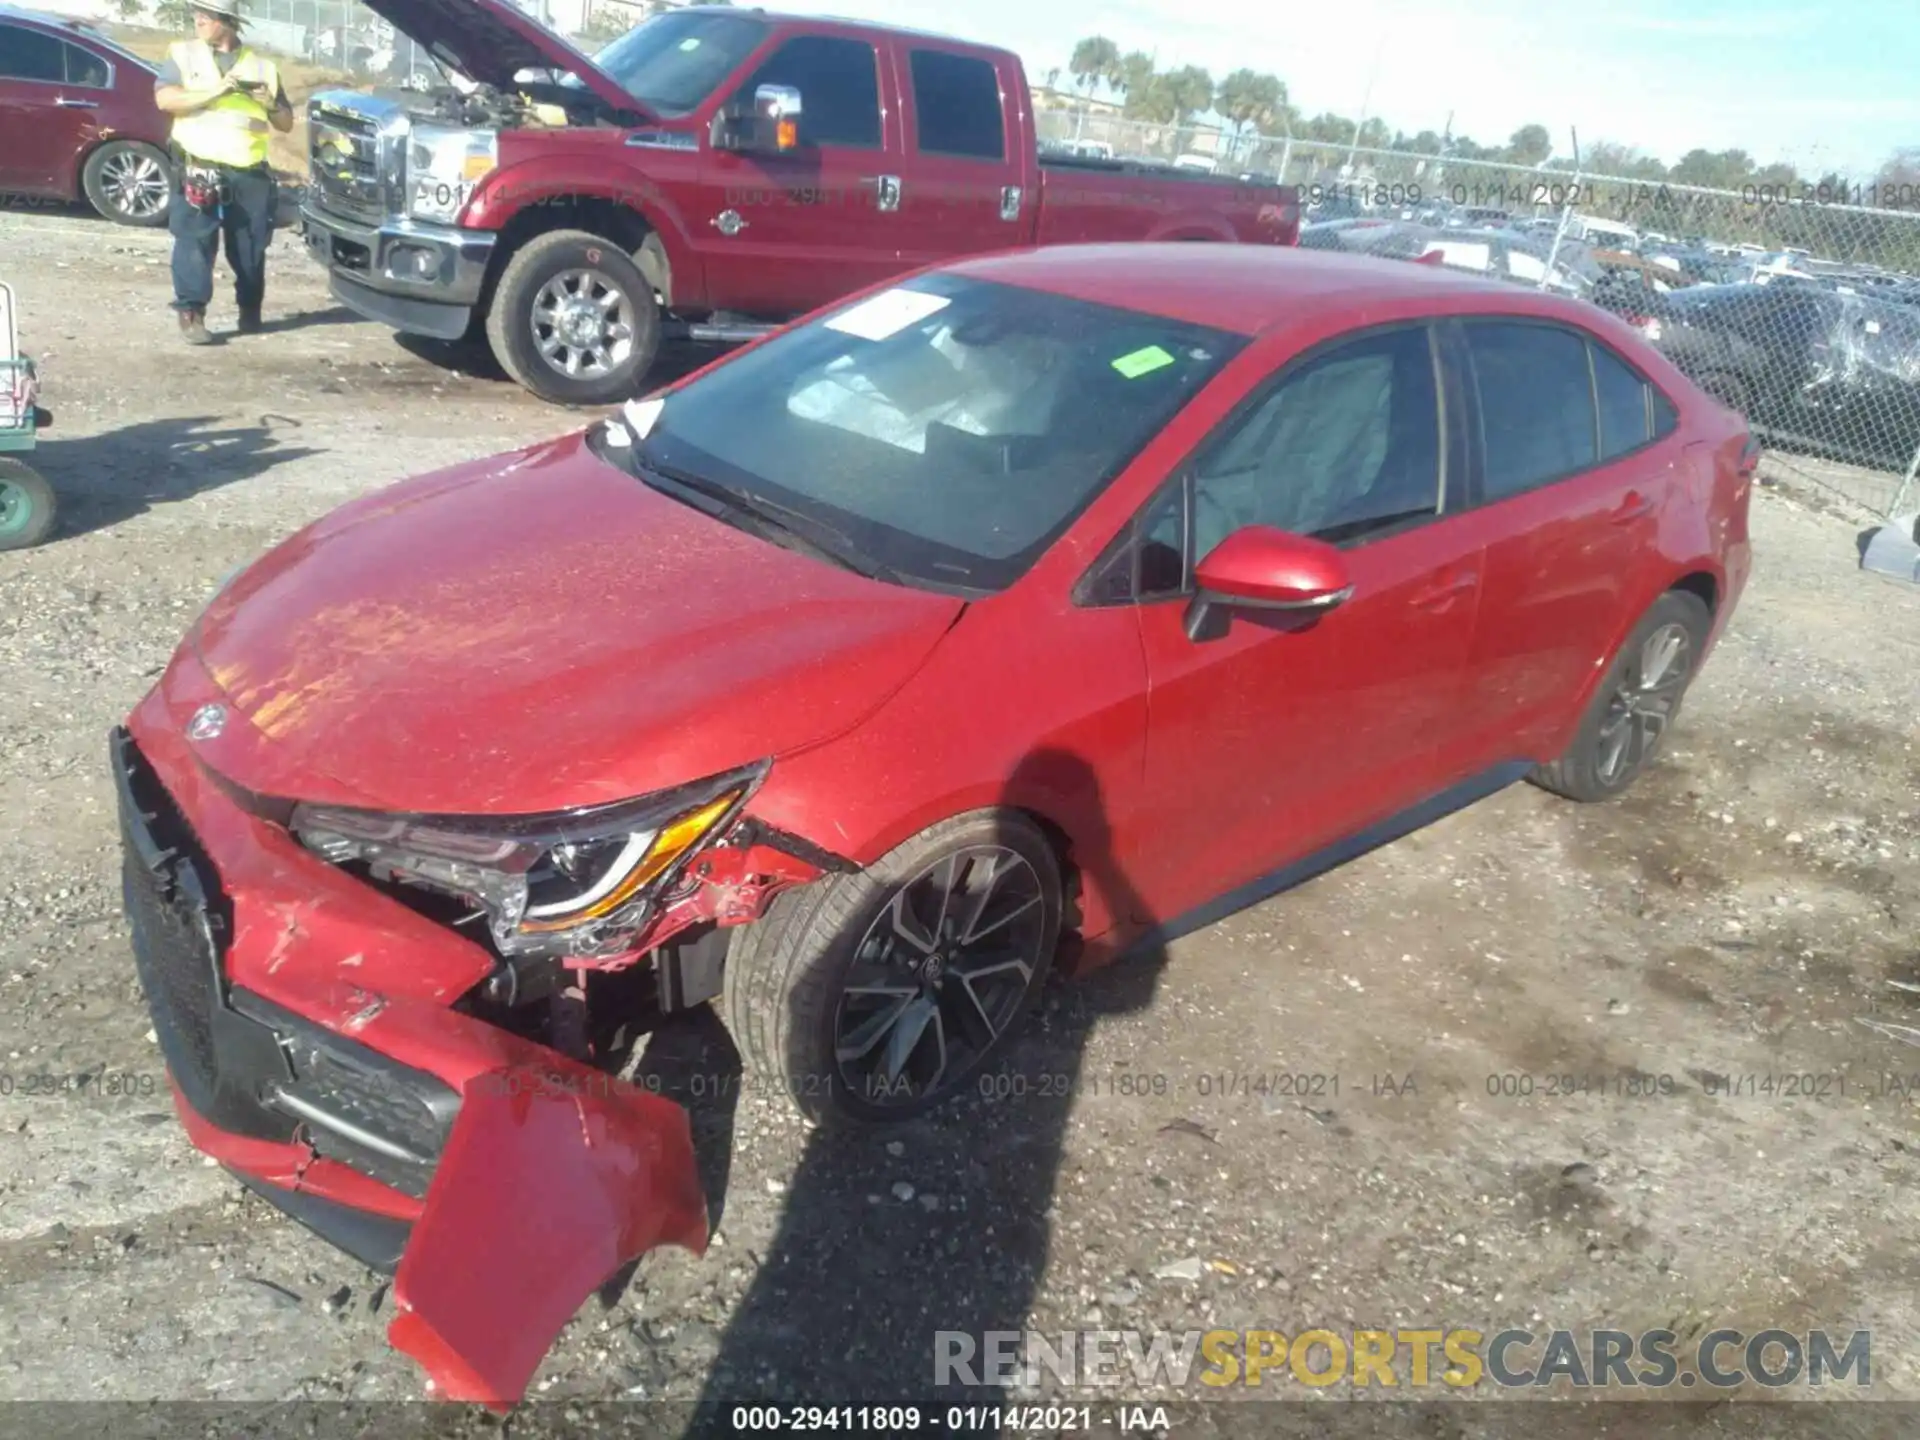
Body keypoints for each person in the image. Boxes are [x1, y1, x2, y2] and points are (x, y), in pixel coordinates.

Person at [152, 0, 293, 345]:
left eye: (207, 15)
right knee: (194, 241)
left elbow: (285, 123)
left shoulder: (263, 68)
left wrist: (269, 102)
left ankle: (249, 308)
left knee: (249, 248)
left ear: (228, 22)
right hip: (198, 165)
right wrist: (221, 88)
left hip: (249, 172)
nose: (198, 19)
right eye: (197, 12)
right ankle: (192, 313)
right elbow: (166, 100)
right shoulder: (183, 55)